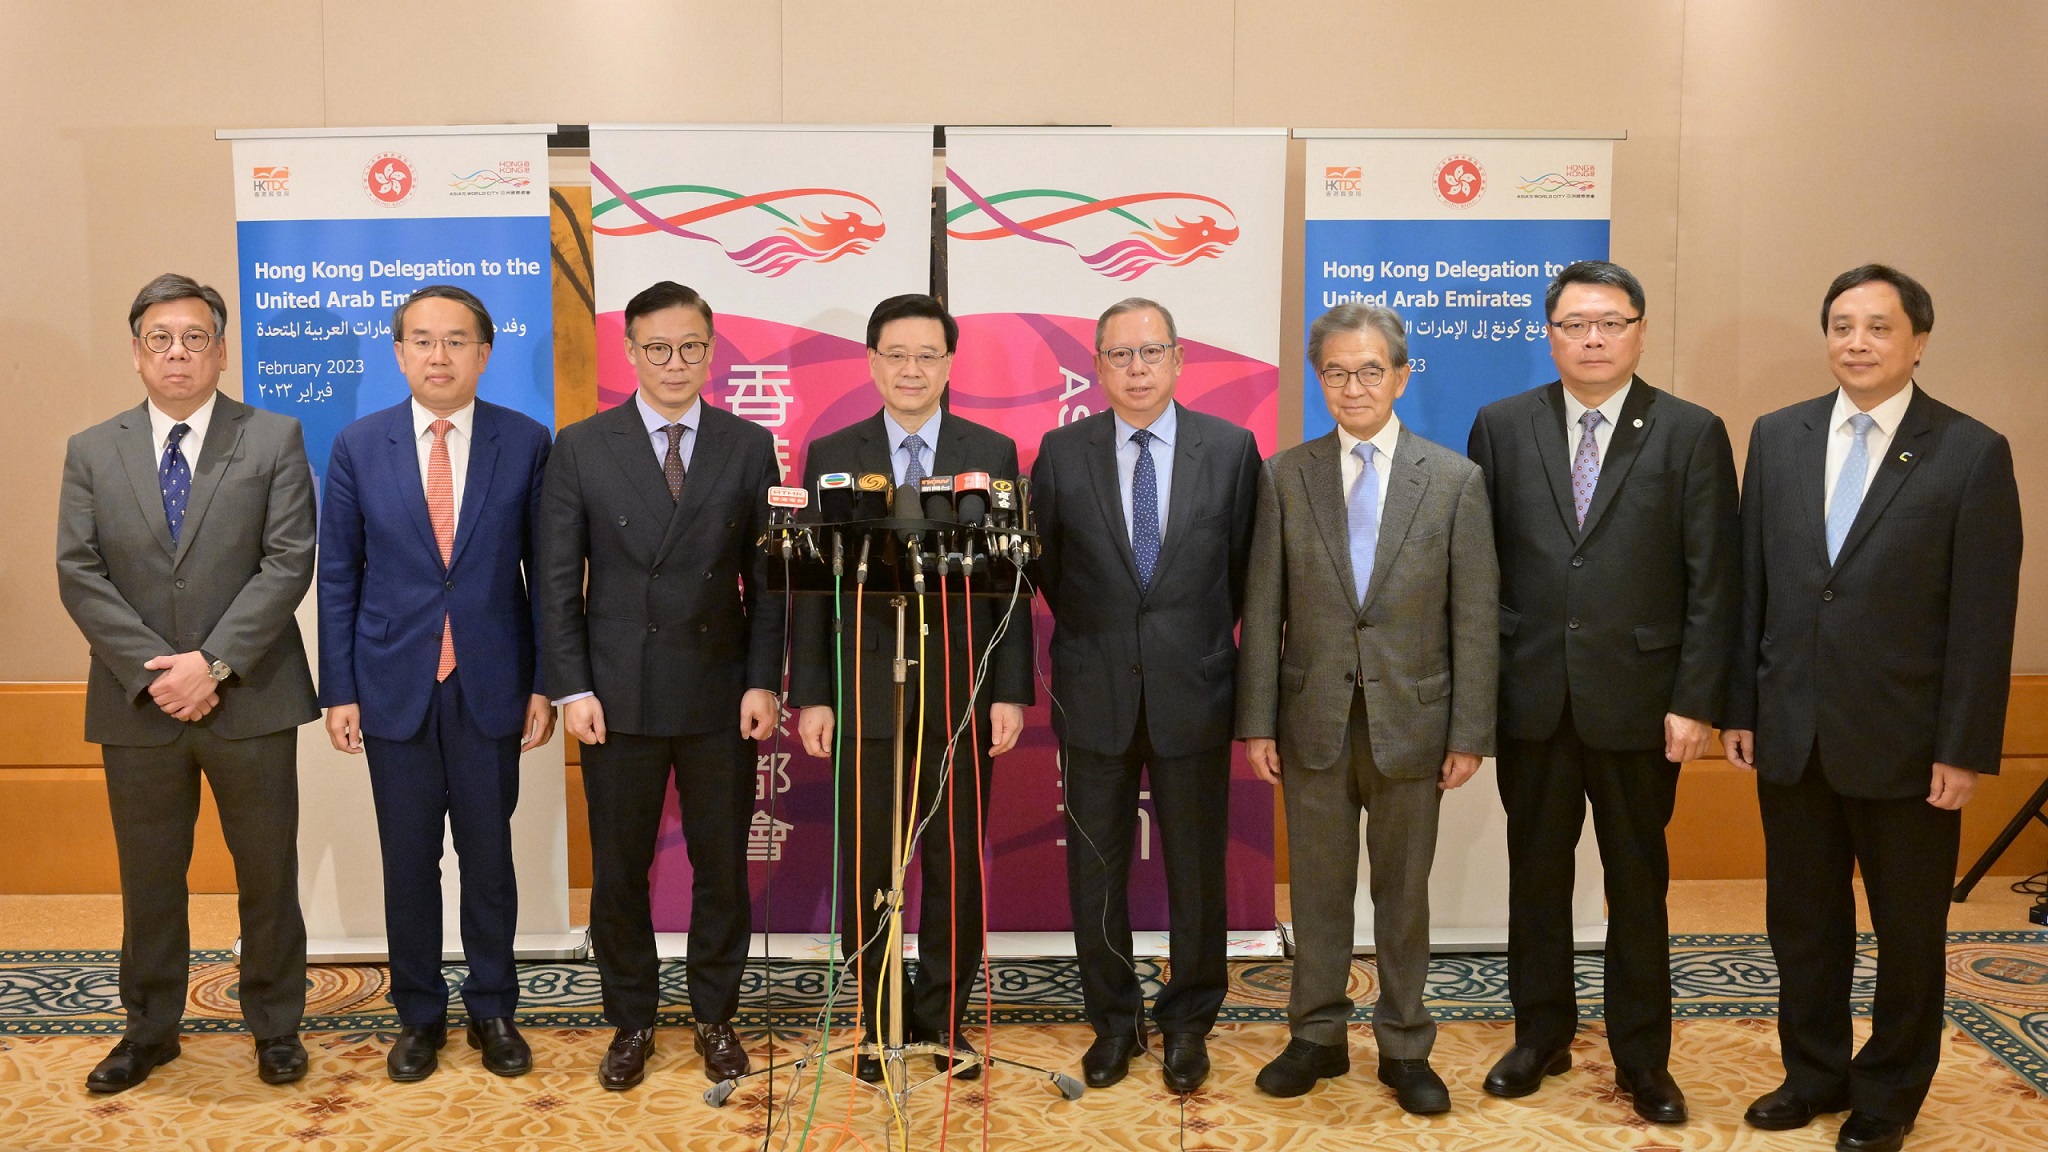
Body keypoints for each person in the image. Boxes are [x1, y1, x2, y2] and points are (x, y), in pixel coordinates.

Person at [1723, 265, 2021, 1152]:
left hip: (1910, 746)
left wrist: (1962, 747)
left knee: (1908, 934)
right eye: (1842, 325)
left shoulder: (1971, 451)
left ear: (1919, 341)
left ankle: (1889, 1093)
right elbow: (1755, 587)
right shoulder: (1777, 438)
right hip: (1794, 735)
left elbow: (1981, 619)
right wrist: (1741, 704)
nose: (1857, 341)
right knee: (1804, 925)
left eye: (1878, 327)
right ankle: (1813, 1073)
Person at [1466, 259, 1740, 1126]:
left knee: (1637, 883)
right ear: (1549, 334)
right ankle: (1539, 1034)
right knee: (1535, 879)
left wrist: (1697, 698)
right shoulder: (1502, 426)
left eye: (1611, 322)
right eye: (1575, 323)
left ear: (1640, 330)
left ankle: (1643, 1059)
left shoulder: (1691, 431)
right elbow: (1478, 576)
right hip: (1532, 696)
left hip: (1642, 702)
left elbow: (1714, 581)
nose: (1592, 337)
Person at [56, 273, 317, 1093]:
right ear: (137, 353)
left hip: (251, 694)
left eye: (194, 337)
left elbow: (287, 562)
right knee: (150, 874)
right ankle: (149, 1029)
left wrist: (213, 663)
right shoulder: (92, 450)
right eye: (160, 338)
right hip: (139, 705)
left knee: (268, 871)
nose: (178, 352)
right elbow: (78, 571)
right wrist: (157, 671)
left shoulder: (273, 437)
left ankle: (276, 1026)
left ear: (221, 349)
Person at [1236, 303, 1496, 1114]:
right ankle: (1314, 1035)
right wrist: (1256, 721)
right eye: (1338, 372)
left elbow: (1475, 617)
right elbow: (1263, 604)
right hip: (1311, 719)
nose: (1354, 386)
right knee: (1315, 892)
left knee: (1403, 895)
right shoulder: (1284, 475)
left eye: (1371, 370)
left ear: (1402, 375)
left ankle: (1405, 1044)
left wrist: (1470, 732)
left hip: (1414, 725)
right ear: (1320, 380)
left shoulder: (1454, 480)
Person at [535, 280, 782, 1089]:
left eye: (691, 347)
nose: (675, 363)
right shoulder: (583, 445)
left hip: (718, 694)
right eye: (657, 348)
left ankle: (715, 1014)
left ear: (711, 351)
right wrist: (571, 688)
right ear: (631, 353)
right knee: (619, 869)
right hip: (616, 696)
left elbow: (768, 580)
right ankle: (631, 1018)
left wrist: (763, 682)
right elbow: (556, 579)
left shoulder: (746, 446)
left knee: (721, 868)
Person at [317, 285, 556, 1082]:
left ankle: (493, 1008)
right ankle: (418, 1014)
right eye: (422, 340)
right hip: (393, 687)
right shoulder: (359, 444)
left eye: (457, 340)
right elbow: (340, 574)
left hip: (492, 683)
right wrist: (339, 689)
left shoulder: (525, 442)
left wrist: (546, 682)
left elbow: (548, 576)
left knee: (490, 860)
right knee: (408, 860)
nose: (439, 355)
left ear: (485, 353)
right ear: (399, 353)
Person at [794, 293, 1033, 1082]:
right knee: (870, 862)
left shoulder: (991, 449)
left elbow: (1010, 583)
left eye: (927, 355)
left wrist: (1009, 689)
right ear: (871, 361)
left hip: (962, 691)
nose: (910, 369)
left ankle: (942, 1021)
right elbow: (810, 586)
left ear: (949, 365)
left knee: (953, 860)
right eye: (895, 354)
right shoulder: (831, 448)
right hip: (864, 690)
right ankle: (878, 1020)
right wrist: (815, 693)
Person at [1029, 298, 1260, 1092]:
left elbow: (1243, 578)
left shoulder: (1230, 451)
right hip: (1094, 692)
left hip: (1194, 690)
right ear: (1096, 366)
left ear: (1178, 358)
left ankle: (1190, 1020)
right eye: (1119, 356)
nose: (1136, 369)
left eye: (1150, 352)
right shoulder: (1061, 454)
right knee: (1097, 870)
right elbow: (1051, 573)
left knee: (1197, 870)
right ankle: (1114, 1023)